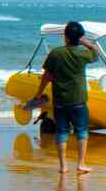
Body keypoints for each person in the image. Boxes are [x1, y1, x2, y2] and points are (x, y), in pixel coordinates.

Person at [33, 20, 99, 175]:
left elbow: (46, 76)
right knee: (82, 131)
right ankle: (81, 164)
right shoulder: (83, 54)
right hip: (78, 100)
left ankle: (63, 167)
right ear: (79, 37)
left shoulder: (56, 53)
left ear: (65, 36)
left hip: (60, 100)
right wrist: (86, 43)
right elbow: (95, 54)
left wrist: (38, 93)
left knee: (62, 132)